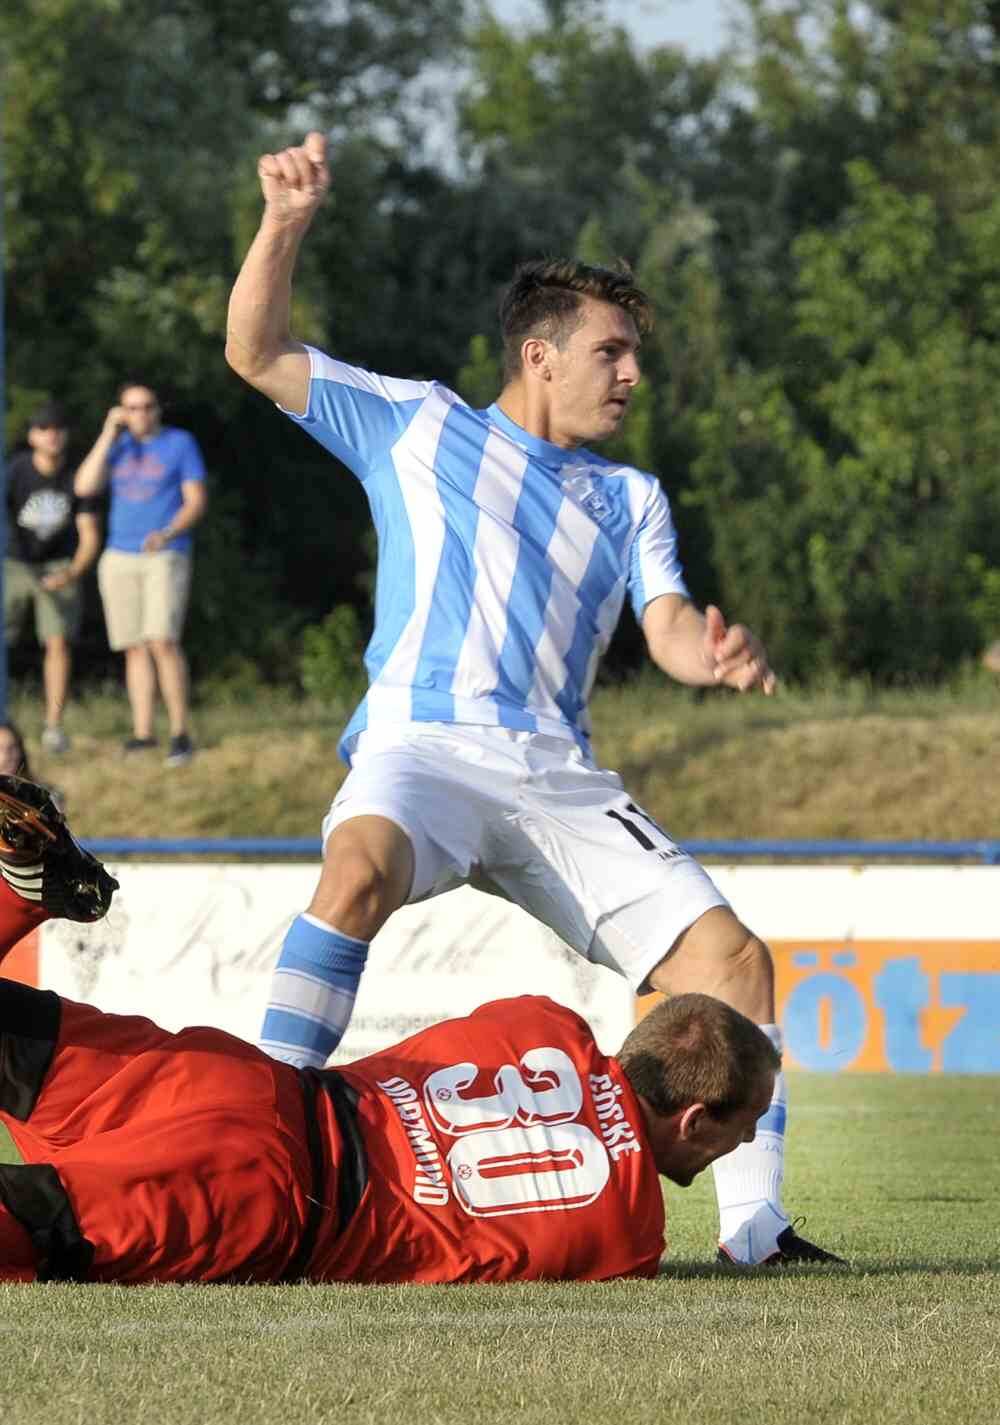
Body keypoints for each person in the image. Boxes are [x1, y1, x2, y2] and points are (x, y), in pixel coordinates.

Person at [224, 132, 840, 1268]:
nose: (632, 376)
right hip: (423, 744)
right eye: (612, 352)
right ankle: (260, 1150)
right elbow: (255, 351)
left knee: (734, 963)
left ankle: (757, 1237)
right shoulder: (414, 424)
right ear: (539, 354)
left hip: (555, 772)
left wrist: (709, 657)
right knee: (355, 867)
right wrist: (285, 220)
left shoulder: (630, 496)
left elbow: (665, 629)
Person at [0, 774, 783, 1285]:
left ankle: (18, 899)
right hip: (275, 1198)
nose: (743, 1146)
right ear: (692, 1117)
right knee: (34, 1228)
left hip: (251, 1080)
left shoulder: (544, 1021)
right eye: (742, 1127)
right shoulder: (630, 1237)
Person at [74, 382, 208, 766]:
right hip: (120, 555)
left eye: (147, 406)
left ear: (158, 409)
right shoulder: (116, 446)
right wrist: (107, 433)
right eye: (132, 408)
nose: (141, 413)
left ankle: (180, 733)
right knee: (133, 646)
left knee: (162, 641)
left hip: (165, 553)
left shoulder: (180, 443)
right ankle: (143, 733)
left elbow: (196, 501)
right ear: (121, 411)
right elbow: (84, 486)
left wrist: (168, 532)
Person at [4, 403, 102, 754]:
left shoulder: (77, 476)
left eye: (58, 428)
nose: (52, 435)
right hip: (15, 563)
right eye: (44, 428)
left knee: (58, 643)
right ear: (32, 436)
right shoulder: (15, 472)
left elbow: (89, 535)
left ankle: (53, 728)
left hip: (60, 564)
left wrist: (71, 573)